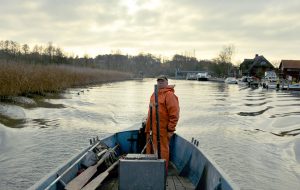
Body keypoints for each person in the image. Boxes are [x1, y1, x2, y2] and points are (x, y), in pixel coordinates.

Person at [145, 75, 180, 171]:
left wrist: (170, 129)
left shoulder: (169, 95)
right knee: (150, 150)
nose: (160, 83)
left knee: (162, 151)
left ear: (167, 83)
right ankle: (150, 169)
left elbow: (174, 115)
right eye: (159, 81)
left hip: (162, 130)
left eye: (162, 81)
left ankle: (162, 171)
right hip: (151, 128)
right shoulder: (154, 94)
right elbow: (151, 110)